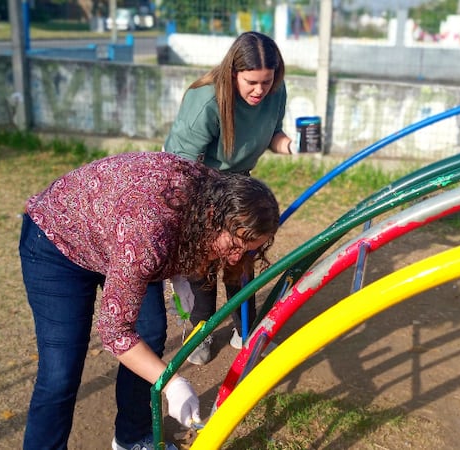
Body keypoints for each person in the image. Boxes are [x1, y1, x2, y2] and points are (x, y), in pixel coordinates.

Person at [19, 151, 280, 450]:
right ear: (212, 218)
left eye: (248, 250)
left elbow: (185, 235)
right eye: (234, 245)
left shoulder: (217, 196)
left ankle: (132, 437)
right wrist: (171, 383)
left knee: (150, 332)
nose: (235, 258)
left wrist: (181, 272)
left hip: (115, 232)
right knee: (61, 371)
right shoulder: (148, 234)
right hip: (58, 241)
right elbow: (115, 332)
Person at [163, 30, 294, 365]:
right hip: (196, 183)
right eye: (251, 82)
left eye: (266, 81)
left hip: (237, 184)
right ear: (233, 73)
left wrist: (292, 145)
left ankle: (246, 331)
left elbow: (271, 134)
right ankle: (199, 332)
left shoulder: (275, 92)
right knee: (204, 261)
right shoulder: (206, 100)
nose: (259, 90)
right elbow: (180, 166)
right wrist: (198, 217)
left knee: (242, 257)